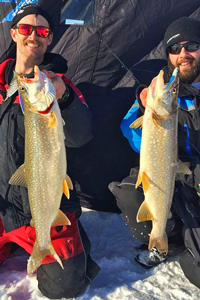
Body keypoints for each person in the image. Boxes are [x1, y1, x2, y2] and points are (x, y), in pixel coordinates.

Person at [0, 4, 100, 299]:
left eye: (42, 31)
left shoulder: (59, 86)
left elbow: (82, 137)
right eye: (27, 29)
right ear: (14, 33)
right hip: (3, 203)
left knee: (64, 286)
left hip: (43, 201)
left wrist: (65, 98)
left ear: (50, 39)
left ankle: (66, 238)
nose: (34, 35)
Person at [109, 16, 200, 289]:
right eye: (175, 49)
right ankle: (165, 240)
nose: (183, 54)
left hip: (195, 178)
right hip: (167, 170)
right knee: (129, 191)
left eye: (191, 45)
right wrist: (141, 107)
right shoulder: (158, 90)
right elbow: (133, 135)